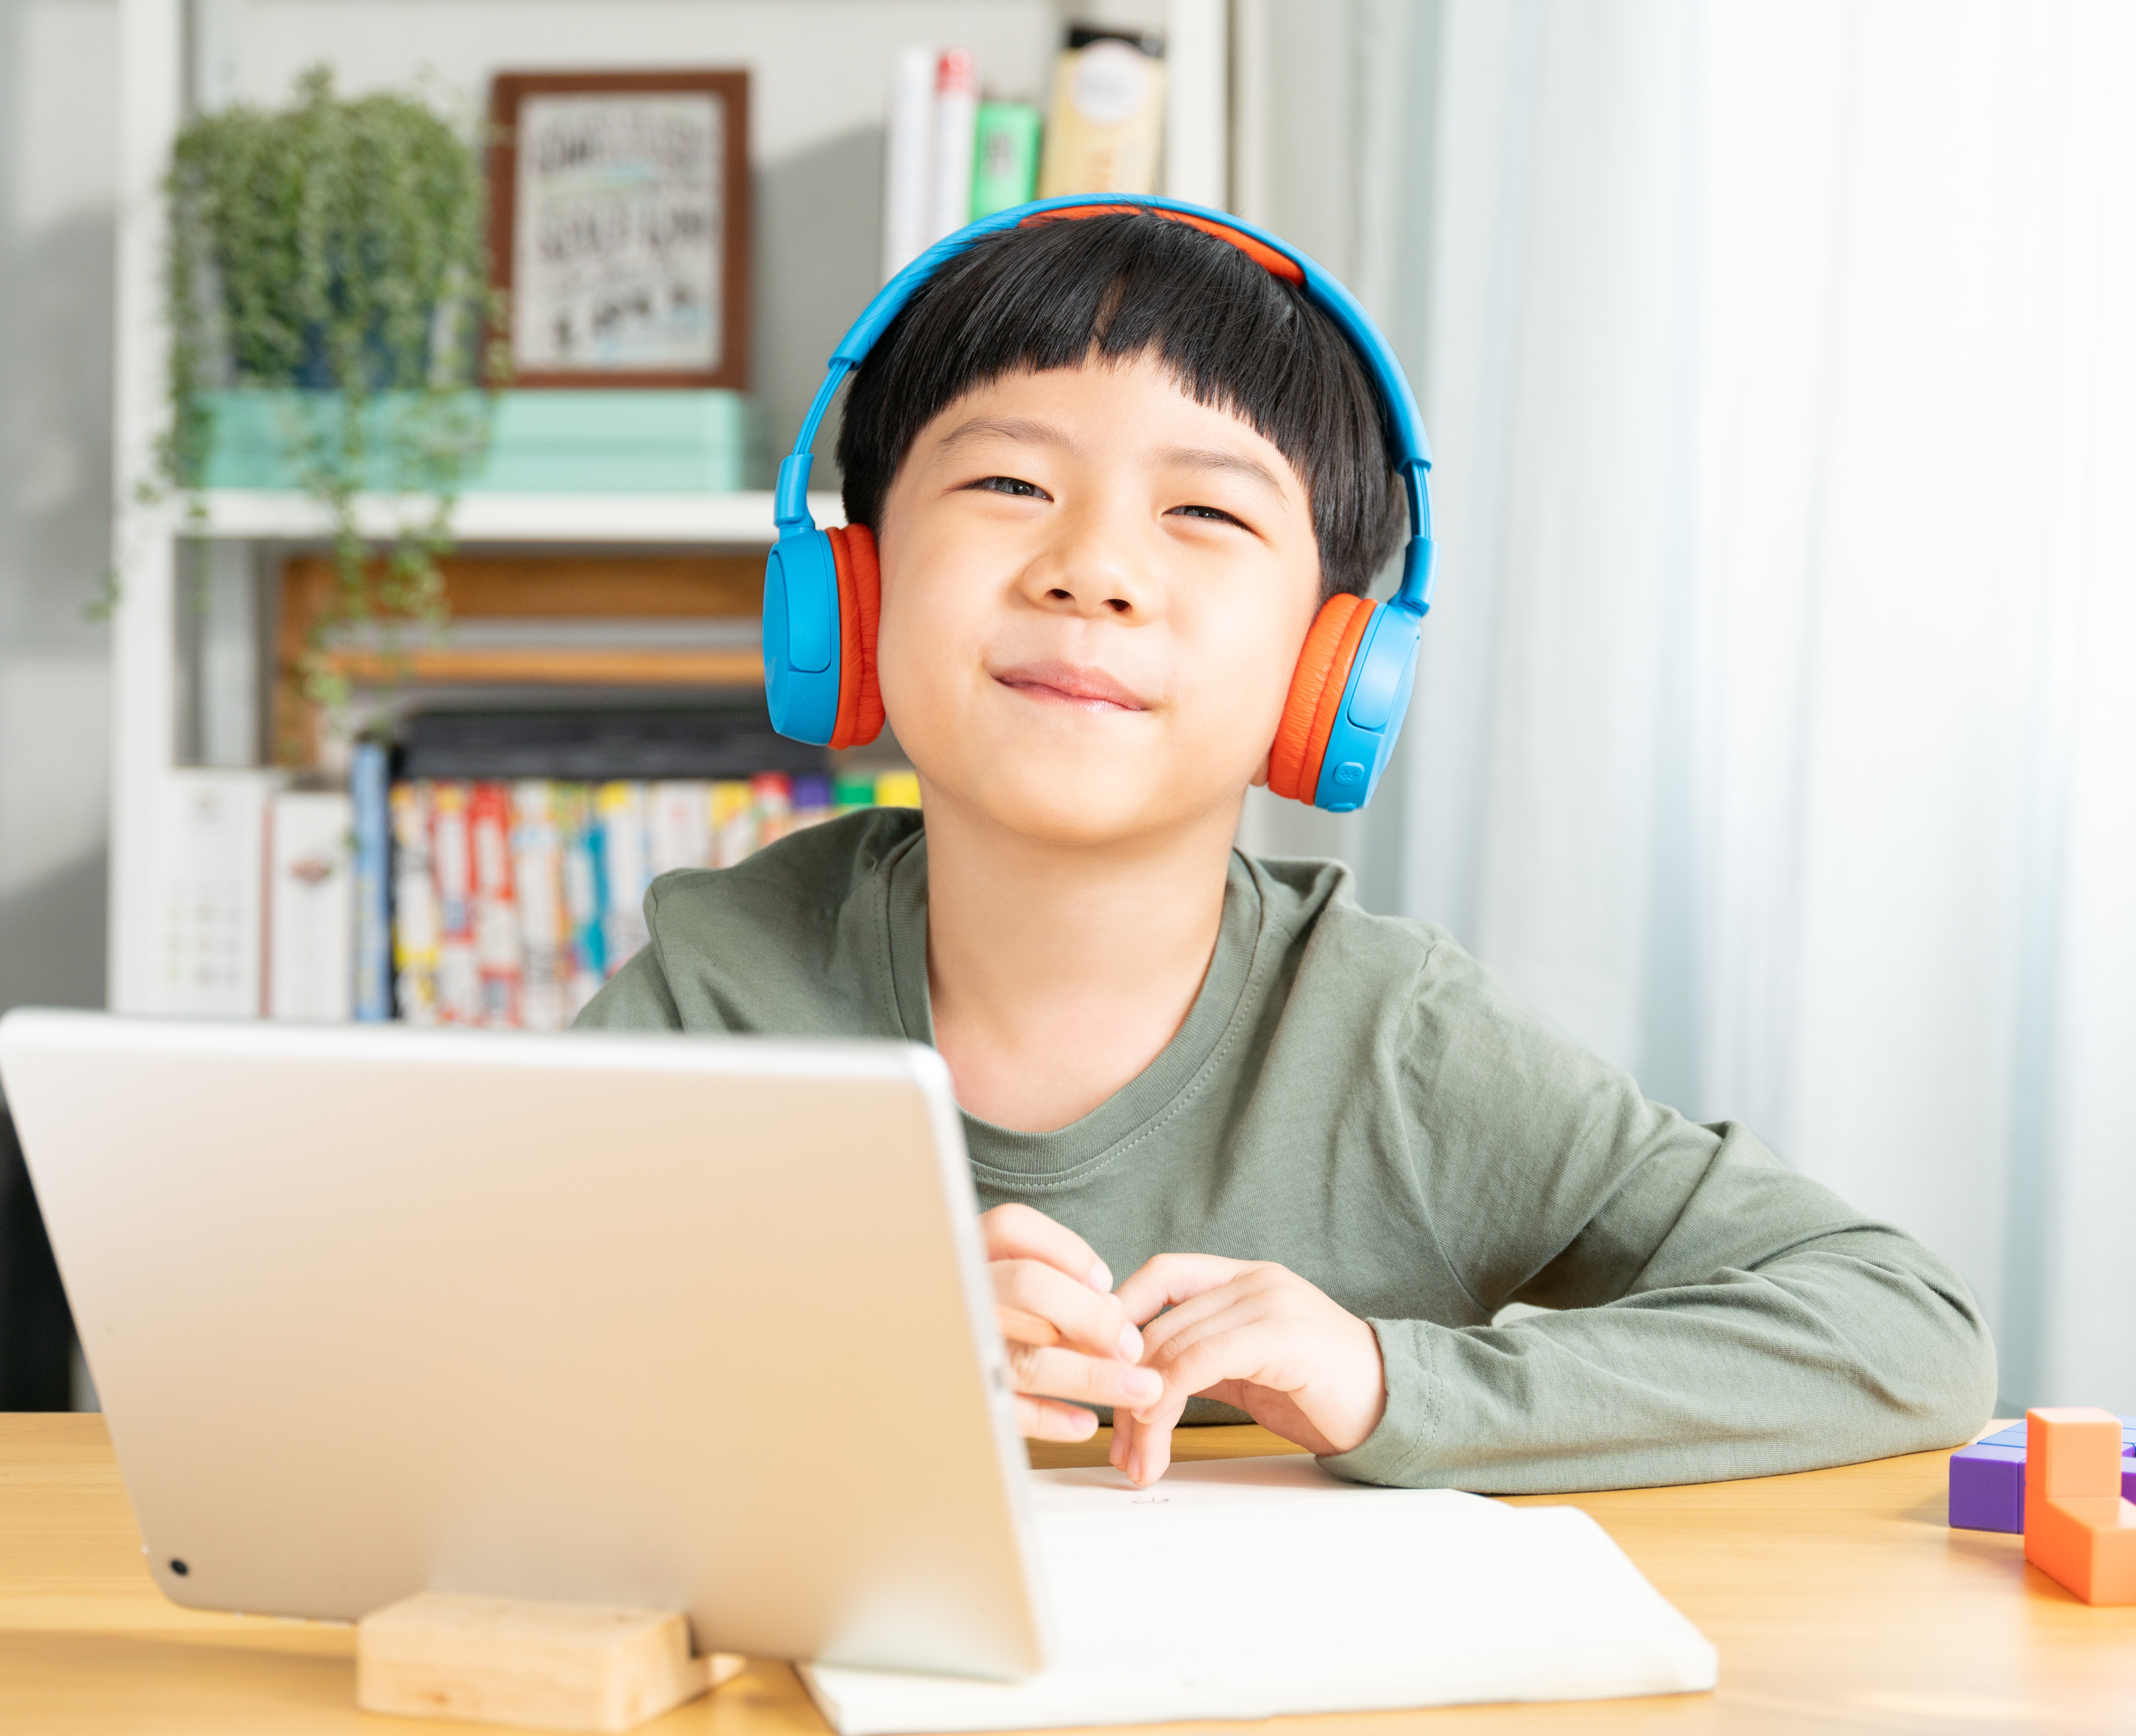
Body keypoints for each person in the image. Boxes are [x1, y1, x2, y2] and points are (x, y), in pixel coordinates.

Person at [575, 208, 1997, 1493]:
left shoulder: (1398, 1048)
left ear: (1334, 669)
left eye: (1203, 512)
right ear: (852, 587)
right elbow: (448, 1342)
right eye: (1008, 484)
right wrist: (852, 1359)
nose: (1093, 569)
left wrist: (1392, 1382)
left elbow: (1903, 1329)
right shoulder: (723, 993)